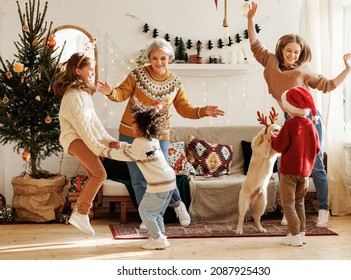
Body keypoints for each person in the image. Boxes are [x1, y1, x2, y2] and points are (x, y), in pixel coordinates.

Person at [97, 38, 224, 228]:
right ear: (149, 58)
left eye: (162, 58)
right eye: (154, 58)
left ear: (169, 59)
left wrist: (203, 110)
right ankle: (147, 216)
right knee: (138, 179)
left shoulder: (174, 82)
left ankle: (177, 204)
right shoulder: (137, 75)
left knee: (163, 175)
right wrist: (110, 92)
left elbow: (184, 109)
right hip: (131, 132)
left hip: (159, 136)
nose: (158, 62)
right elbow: (121, 93)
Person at [247, 1, 351, 227]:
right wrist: (251, 19)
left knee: (315, 167)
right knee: (288, 166)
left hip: (310, 121)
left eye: (297, 52)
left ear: (301, 54)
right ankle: (290, 210)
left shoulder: (304, 71)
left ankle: (323, 209)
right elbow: (255, 45)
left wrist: (347, 69)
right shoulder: (270, 61)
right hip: (289, 120)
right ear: (281, 49)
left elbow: (328, 85)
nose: (292, 55)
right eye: (289, 50)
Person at [53, 52, 120, 236]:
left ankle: (80, 213)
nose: (92, 73)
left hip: (80, 138)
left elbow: (94, 122)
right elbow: (83, 128)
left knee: (94, 174)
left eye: (93, 69)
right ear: (77, 70)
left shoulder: (83, 93)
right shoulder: (73, 96)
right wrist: (99, 148)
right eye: (89, 69)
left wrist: (108, 140)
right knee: (100, 174)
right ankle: (81, 213)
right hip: (74, 139)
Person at [102, 97, 175, 250]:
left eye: (133, 126)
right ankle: (160, 236)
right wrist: (120, 145)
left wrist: (105, 152)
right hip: (169, 182)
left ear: (141, 129)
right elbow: (134, 150)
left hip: (158, 185)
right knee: (156, 213)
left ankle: (157, 239)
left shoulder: (140, 143)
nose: (131, 127)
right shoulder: (151, 139)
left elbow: (125, 156)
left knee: (145, 211)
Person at [271, 86, 320, 247]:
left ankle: (294, 234)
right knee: (299, 202)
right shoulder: (311, 126)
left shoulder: (290, 125)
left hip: (288, 172)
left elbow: (279, 147)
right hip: (305, 173)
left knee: (288, 203)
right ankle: (301, 233)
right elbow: (317, 149)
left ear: (291, 108)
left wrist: (273, 137)